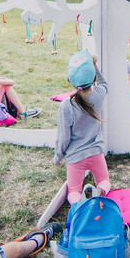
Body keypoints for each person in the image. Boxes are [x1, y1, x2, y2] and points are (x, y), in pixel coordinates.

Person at [54, 51, 111, 204]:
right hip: (96, 152)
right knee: (104, 181)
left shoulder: (66, 105)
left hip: (75, 157)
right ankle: (99, 192)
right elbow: (104, 83)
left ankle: (81, 207)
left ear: (69, 79)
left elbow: (64, 136)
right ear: (94, 78)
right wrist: (95, 66)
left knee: (73, 192)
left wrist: (58, 156)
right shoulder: (98, 95)